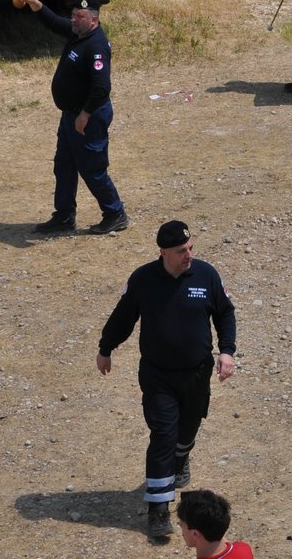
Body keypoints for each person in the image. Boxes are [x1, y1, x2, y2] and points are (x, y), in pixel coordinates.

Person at [97, 220, 238, 540]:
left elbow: (225, 313)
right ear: (163, 252)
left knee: (187, 430)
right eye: (181, 251)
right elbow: (122, 317)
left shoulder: (206, 275)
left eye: (190, 248)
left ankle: (181, 458)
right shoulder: (144, 280)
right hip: (158, 376)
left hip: (197, 374)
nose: (188, 255)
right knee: (163, 434)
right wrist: (105, 349)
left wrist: (227, 351)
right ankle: (158, 509)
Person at [16, 0, 130, 236]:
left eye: (79, 16)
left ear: (93, 19)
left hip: (88, 117)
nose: (74, 20)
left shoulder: (96, 45)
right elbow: (54, 22)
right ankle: (64, 216)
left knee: (92, 167)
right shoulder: (78, 33)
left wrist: (85, 114)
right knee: (64, 165)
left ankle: (115, 213)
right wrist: (35, 3)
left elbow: (101, 87)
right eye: (73, 15)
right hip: (71, 115)